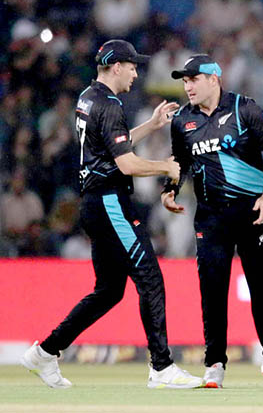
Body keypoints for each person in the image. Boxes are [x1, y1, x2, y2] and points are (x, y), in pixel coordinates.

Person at [20, 40, 204, 389]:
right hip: (109, 202)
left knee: (108, 291)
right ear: (116, 67)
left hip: (95, 202)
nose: (137, 73)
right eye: (132, 66)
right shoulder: (110, 105)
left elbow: (112, 145)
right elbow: (126, 162)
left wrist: (150, 126)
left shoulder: (89, 98)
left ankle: (44, 352)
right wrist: (166, 166)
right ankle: (162, 368)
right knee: (150, 278)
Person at [160, 54, 263, 389]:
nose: (187, 86)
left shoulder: (245, 109)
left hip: (253, 212)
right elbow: (179, 160)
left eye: (193, 79)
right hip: (211, 217)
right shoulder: (182, 121)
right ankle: (214, 363)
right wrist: (170, 189)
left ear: (214, 79)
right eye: (184, 81)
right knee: (212, 290)